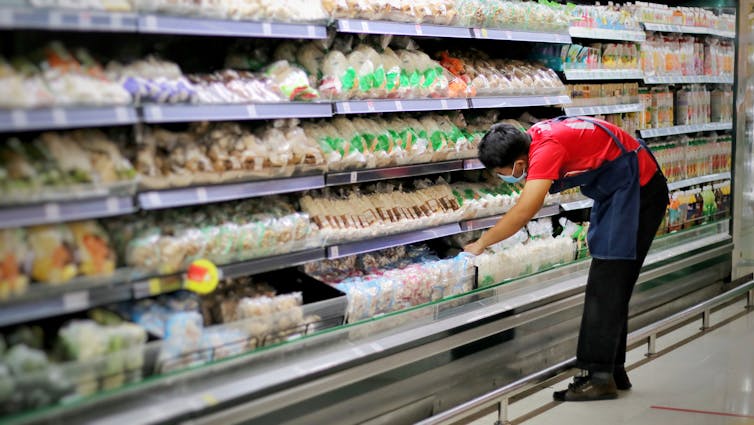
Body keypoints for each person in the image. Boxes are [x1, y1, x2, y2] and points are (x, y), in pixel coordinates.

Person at [464, 116, 669, 402]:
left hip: (637, 191)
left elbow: (525, 210)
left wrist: (482, 243)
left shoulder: (547, 149)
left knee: (606, 284)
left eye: (503, 172)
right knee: (613, 283)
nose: (504, 177)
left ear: (518, 162)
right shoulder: (534, 137)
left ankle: (599, 377)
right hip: (622, 190)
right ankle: (612, 368)